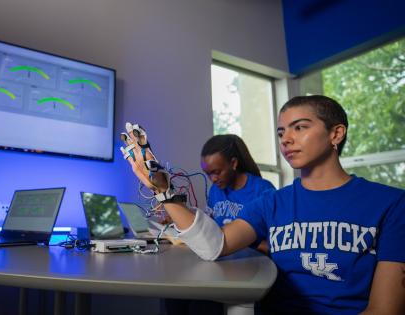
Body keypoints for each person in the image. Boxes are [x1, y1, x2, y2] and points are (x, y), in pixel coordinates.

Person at [122, 95, 405, 314]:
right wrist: (163, 190)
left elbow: (385, 309)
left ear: (336, 134)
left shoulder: (391, 204)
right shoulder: (272, 202)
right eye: (281, 132)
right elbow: (214, 245)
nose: (286, 140)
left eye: (300, 127)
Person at [165, 134, 276, 315]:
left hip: (248, 266)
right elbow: (210, 224)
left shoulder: (263, 190)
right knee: (174, 294)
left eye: (217, 172)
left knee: (202, 306)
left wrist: (245, 242)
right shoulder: (216, 191)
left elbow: (274, 245)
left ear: (233, 163)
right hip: (220, 263)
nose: (213, 179)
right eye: (208, 174)